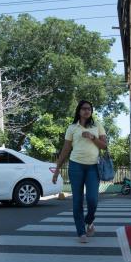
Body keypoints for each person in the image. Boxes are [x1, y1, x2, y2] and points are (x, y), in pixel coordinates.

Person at [52, 100, 107, 243]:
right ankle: (81, 232)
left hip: (93, 167)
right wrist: (57, 168)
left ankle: (90, 221)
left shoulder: (97, 126)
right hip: (75, 166)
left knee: (92, 199)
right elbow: (65, 150)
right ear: (79, 111)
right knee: (77, 201)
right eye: (83, 108)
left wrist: (92, 137)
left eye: (89, 109)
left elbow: (104, 146)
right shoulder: (72, 128)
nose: (86, 111)